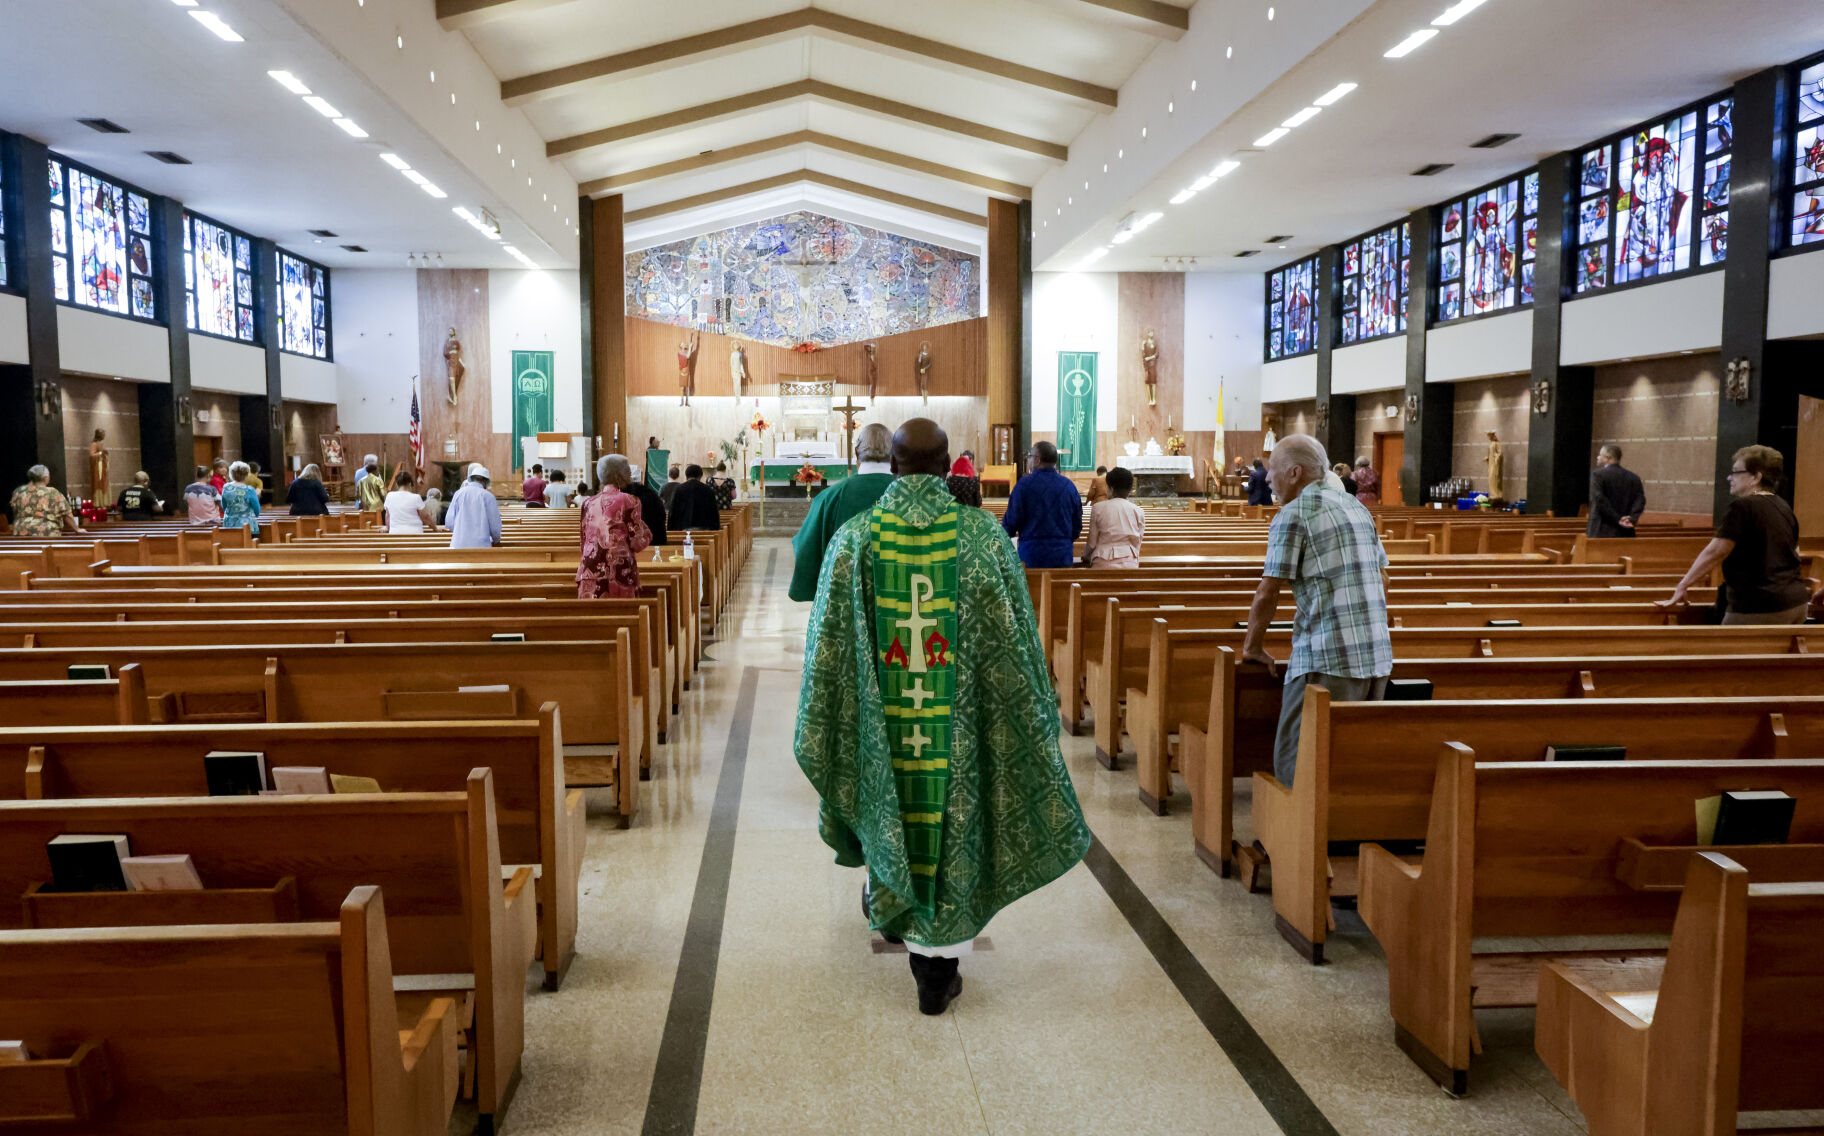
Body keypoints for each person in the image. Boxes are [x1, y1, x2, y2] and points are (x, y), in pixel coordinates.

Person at [794, 418, 1092, 1015]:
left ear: (896, 466)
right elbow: (1020, 652)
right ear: (948, 463)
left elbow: (825, 659)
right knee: (954, 815)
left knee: (886, 795)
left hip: (886, 727)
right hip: (957, 732)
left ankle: (897, 912)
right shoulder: (984, 540)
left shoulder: (854, 539)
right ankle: (940, 966)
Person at [1240, 434, 1392, 788]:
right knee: (1348, 760)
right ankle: (1337, 837)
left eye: (1273, 470)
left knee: (1297, 762)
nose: (1266, 478)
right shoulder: (1356, 508)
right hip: (1377, 656)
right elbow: (1384, 579)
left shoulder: (1293, 514)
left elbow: (1268, 591)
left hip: (1328, 658)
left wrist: (1252, 647)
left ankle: (1293, 842)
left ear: (1294, 473)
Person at [1660, 445, 1809, 625]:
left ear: (1756, 477)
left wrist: (1683, 585)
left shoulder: (1743, 507)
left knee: (1725, 651)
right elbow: (1795, 553)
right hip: (1797, 603)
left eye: (1736, 472)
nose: (1729, 477)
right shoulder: (1784, 507)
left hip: (1760, 605)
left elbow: (1716, 551)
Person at [789, 423, 895, 602]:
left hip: (845, 607)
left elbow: (806, 548)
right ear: (894, 455)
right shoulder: (912, 495)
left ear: (856, 455)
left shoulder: (828, 498)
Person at [576, 454, 653, 599]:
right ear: (618, 475)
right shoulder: (630, 501)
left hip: (589, 571)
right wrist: (647, 532)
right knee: (622, 618)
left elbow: (583, 541)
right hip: (619, 572)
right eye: (627, 470)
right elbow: (637, 543)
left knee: (593, 620)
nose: (630, 473)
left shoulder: (588, 503)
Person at [1001, 440, 1082, 568]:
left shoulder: (1024, 485)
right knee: (1061, 588)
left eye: (1030, 457)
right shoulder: (1069, 486)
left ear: (1037, 460)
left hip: (1031, 554)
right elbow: (1077, 525)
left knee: (1031, 587)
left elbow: (1010, 522)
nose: (1028, 460)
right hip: (1062, 555)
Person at [1083, 466, 1144, 568]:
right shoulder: (1138, 511)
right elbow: (1138, 541)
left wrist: (1085, 555)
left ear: (1111, 488)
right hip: (1130, 562)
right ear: (1129, 490)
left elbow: (1092, 542)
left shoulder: (1098, 508)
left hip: (1102, 561)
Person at [1587, 444, 1646, 538]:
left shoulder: (1598, 475)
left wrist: (1618, 518)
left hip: (1601, 529)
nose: (1598, 457)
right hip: (1626, 531)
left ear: (1607, 458)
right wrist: (1632, 518)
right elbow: (1640, 500)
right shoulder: (1634, 478)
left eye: (1600, 455)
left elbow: (1599, 499)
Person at [9, 465, 84, 536]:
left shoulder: (19, 491)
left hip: (21, 532)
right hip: (47, 532)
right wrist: (77, 529)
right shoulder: (53, 492)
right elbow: (66, 513)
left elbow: (15, 510)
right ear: (45, 478)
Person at [446, 464, 502, 549]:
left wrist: (461, 531)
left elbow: (449, 522)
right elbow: (495, 527)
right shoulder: (488, 496)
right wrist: (496, 540)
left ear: (471, 479)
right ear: (485, 481)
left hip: (458, 545)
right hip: (481, 546)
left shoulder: (458, 493)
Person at [667, 464, 722, 532]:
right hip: (704, 530)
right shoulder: (707, 490)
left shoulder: (678, 489)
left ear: (686, 476)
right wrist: (716, 529)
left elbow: (672, 512)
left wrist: (670, 531)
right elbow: (714, 513)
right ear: (700, 476)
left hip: (683, 530)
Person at [624, 466, 669, 548]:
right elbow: (661, 516)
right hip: (653, 543)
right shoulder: (651, 494)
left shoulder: (621, 496)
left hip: (628, 547)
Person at [220, 461, 262, 539]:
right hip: (247, 524)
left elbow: (224, 506)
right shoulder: (249, 489)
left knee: (232, 545)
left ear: (231, 474)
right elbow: (257, 509)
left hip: (230, 523)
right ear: (246, 475)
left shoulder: (226, 487)